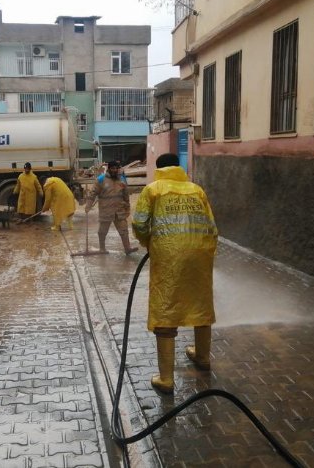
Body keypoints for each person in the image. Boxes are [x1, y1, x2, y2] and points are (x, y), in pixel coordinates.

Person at [131, 153, 218, 394]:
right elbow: (212, 227)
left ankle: (166, 380)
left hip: (169, 255)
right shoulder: (196, 190)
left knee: (165, 307)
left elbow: (139, 223)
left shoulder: (153, 190)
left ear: (158, 169)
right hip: (200, 254)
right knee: (201, 302)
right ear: (178, 168)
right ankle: (202, 357)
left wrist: (149, 243)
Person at [85, 160, 138, 254]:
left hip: (119, 210)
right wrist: (88, 205)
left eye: (116, 168)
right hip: (106, 210)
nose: (115, 170)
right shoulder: (101, 179)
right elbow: (93, 193)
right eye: (113, 168)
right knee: (102, 231)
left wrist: (127, 207)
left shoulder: (122, 179)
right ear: (109, 168)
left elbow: (126, 195)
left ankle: (127, 248)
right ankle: (102, 249)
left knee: (124, 230)